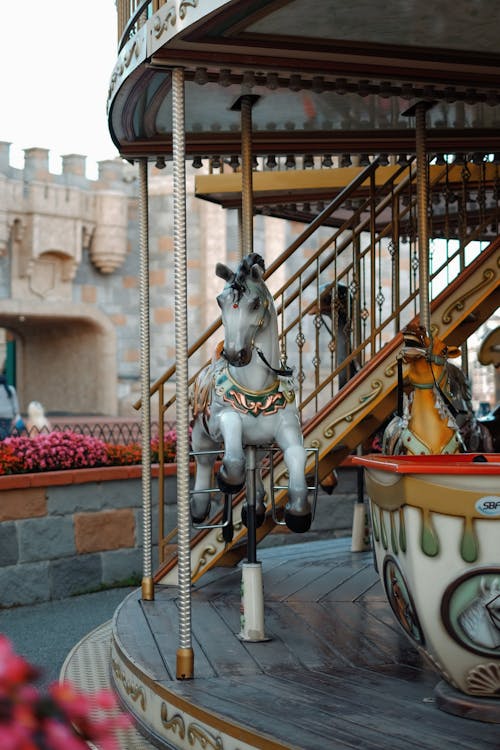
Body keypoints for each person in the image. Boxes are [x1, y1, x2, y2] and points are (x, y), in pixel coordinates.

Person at [0, 372, 20, 439]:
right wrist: (16, 414)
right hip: (8, 415)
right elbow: (15, 403)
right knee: (7, 432)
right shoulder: (11, 389)